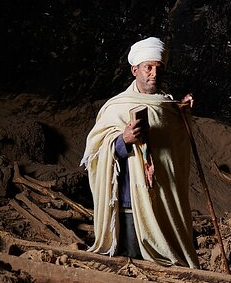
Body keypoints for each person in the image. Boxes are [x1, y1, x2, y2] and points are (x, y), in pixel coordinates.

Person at [81, 36, 199, 268]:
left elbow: (176, 151)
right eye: (148, 67)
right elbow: (96, 150)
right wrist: (123, 140)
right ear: (135, 70)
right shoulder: (117, 106)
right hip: (129, 203)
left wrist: (183, 114)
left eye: (158, 68)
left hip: (164, 202)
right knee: (131, 263)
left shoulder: (168, 106)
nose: (154, 73)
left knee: (165, 265)